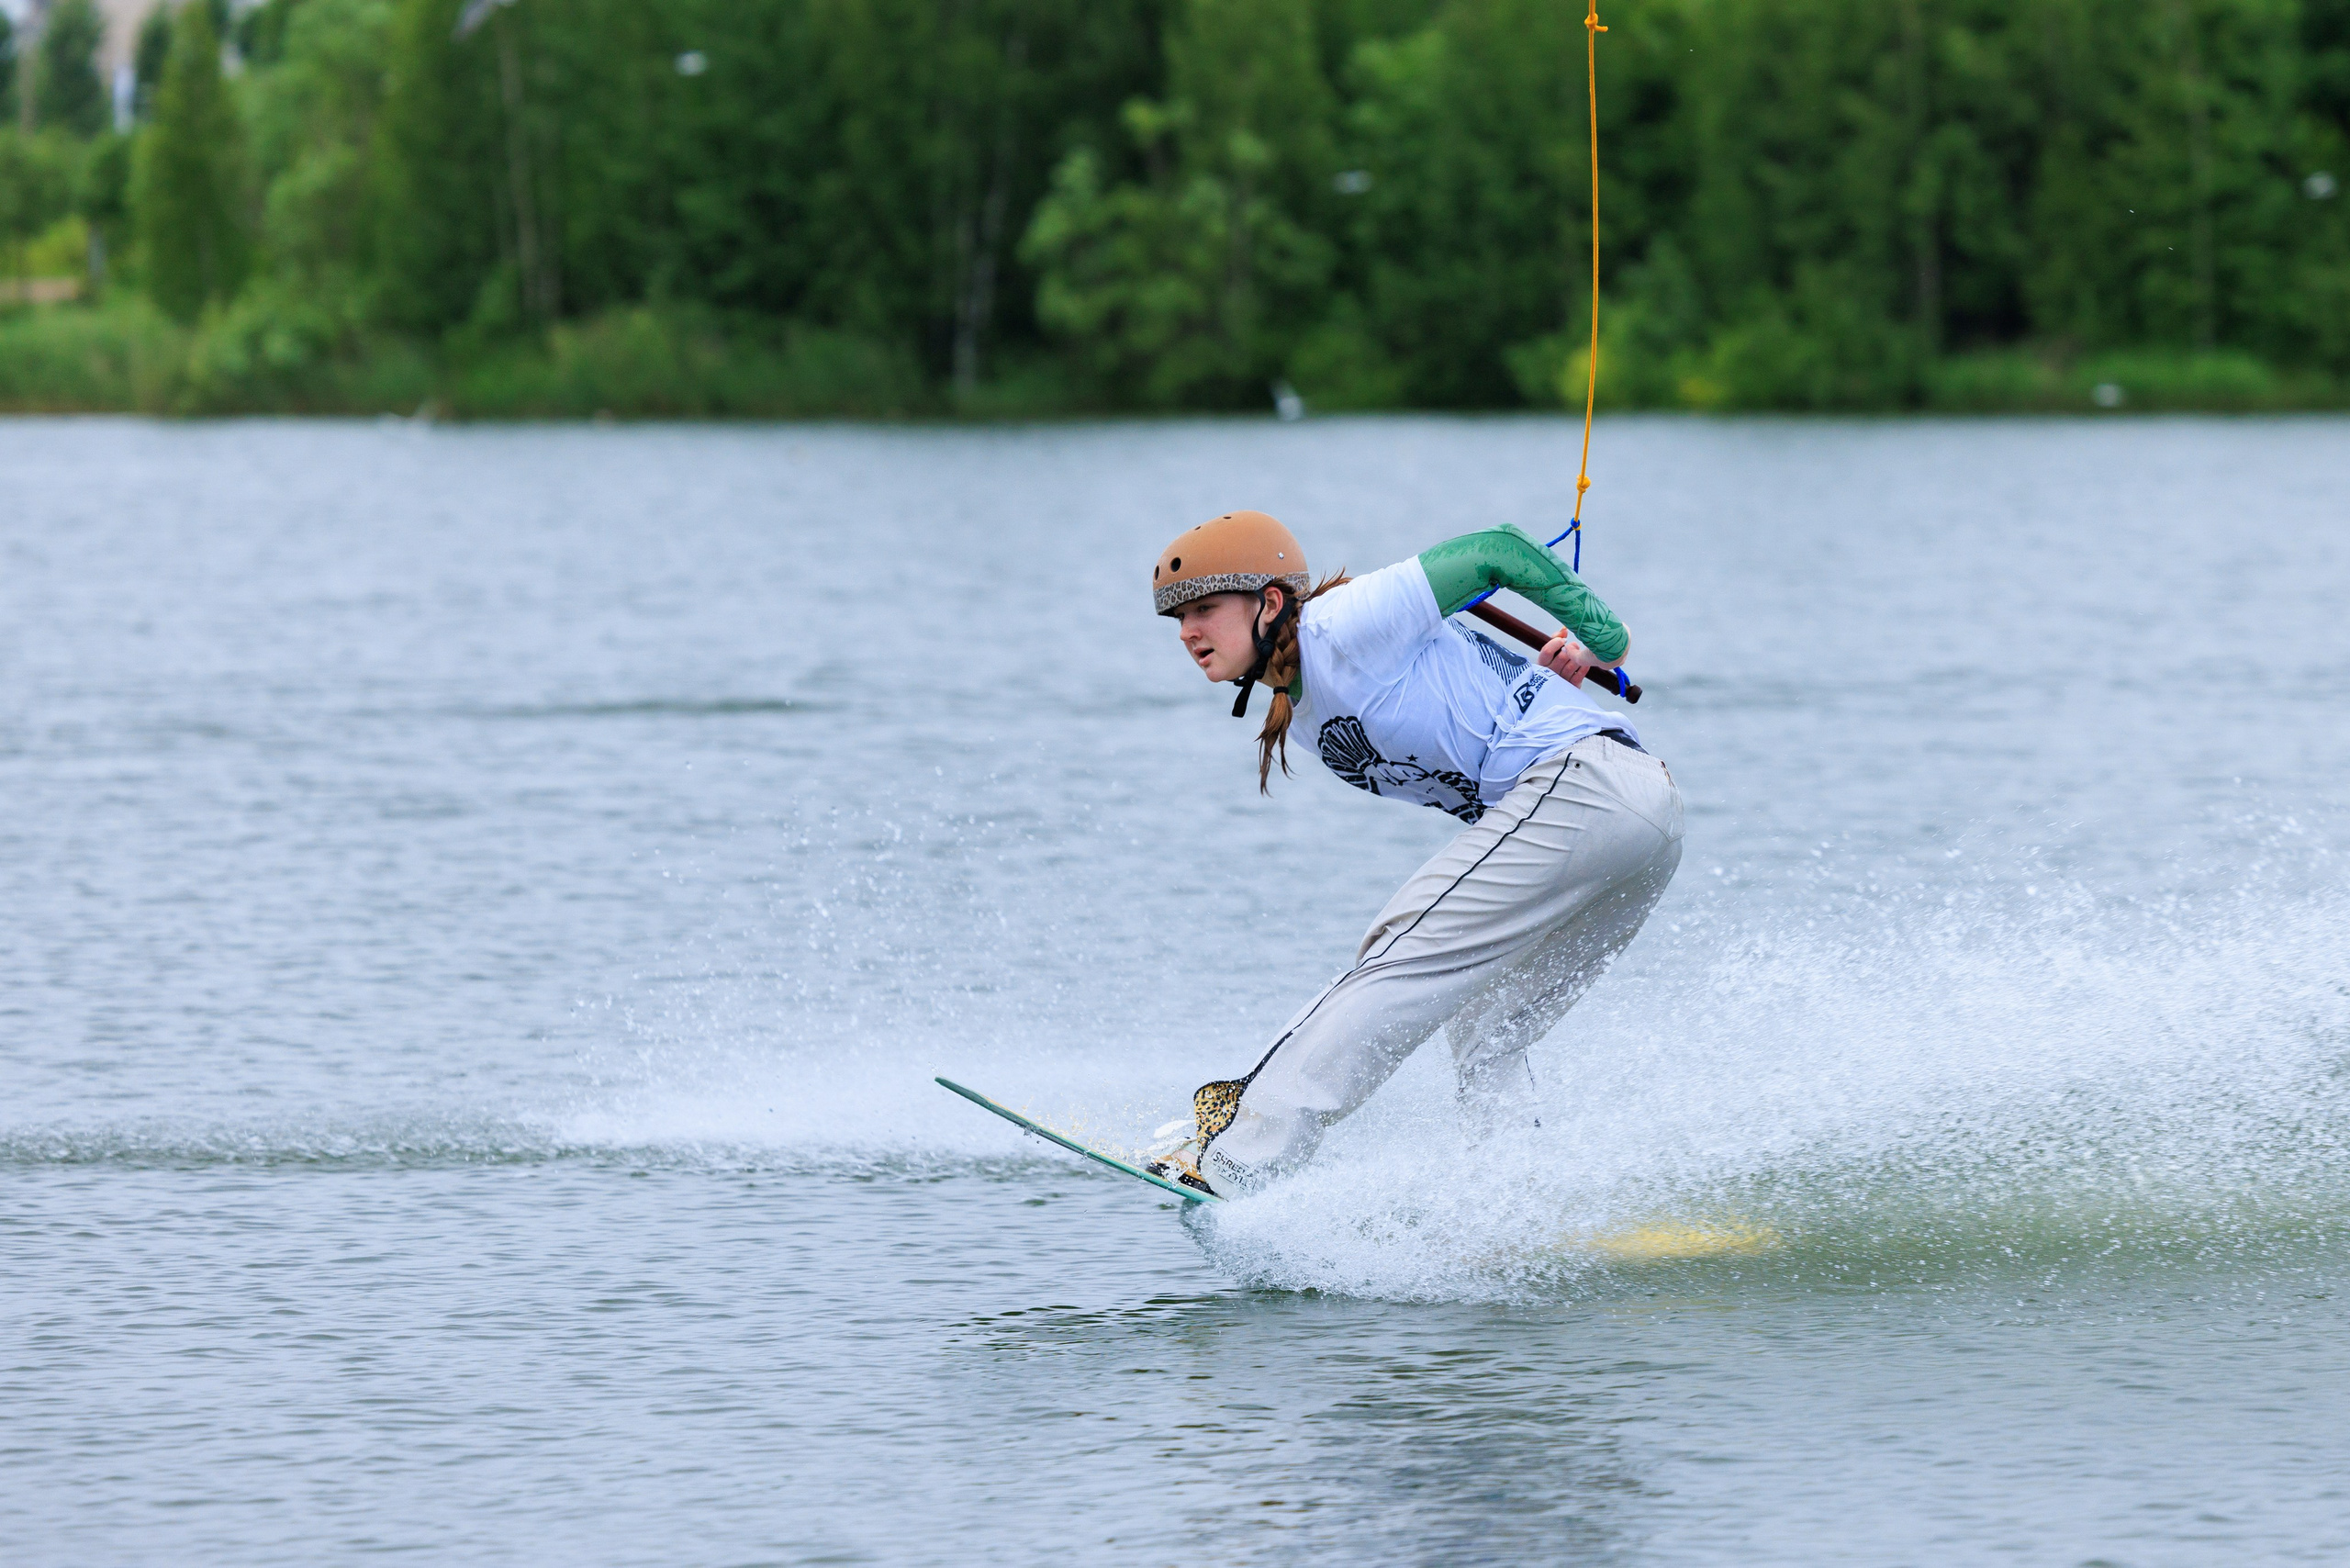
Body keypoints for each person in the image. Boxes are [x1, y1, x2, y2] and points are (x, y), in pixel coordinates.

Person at [1143, 510, 1684, 1198]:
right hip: (1626, 815)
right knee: (1488, 1028)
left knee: (1398, 953)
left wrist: (1607, 640)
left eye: (1205, 610)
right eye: (1178, 620)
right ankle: (1522, 1215)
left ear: (1270, 602)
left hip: (1592, 789)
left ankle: (1240, 1158)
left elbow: (1498, 551)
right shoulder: (1301, 709)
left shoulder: (1342, 622)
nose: (1188, 632)